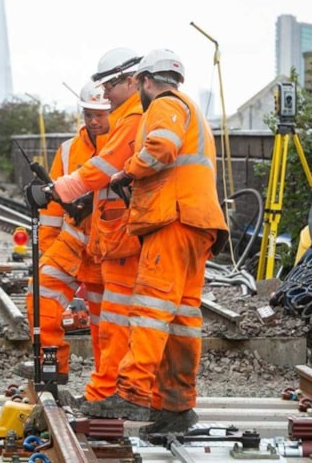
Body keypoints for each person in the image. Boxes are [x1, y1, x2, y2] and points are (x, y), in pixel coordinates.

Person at [81, 49, 229, 433]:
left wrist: (128, 172)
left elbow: (161, 149)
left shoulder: (164, 105)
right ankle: (176, 407)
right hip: (197, 225)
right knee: (181, 319)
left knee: (150, 308)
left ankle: (131, 392)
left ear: (146, 80)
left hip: (172, 220)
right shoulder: (192, 109)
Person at [51, 47, 144, 402]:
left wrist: (61, 189)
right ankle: (114, 390)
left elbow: (104, 169)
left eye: (110, 87)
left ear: (132, 80)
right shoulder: (137, 118)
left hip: (122, 239)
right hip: (107, 240)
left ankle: (115, 391)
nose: (105, 95)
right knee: (108, 321)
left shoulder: (133, 121)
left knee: (118, 320)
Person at [18, 80, 111, 383]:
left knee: (105, 324)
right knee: (40, 294)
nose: (94, 121)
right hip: (72, 244)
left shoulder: (125, 144)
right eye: (88, 114)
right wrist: (46, 249)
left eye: (100, 114)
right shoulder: (69, 150)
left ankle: (108, 385)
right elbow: (54, 210)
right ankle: (51, 367)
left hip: (109, 249)